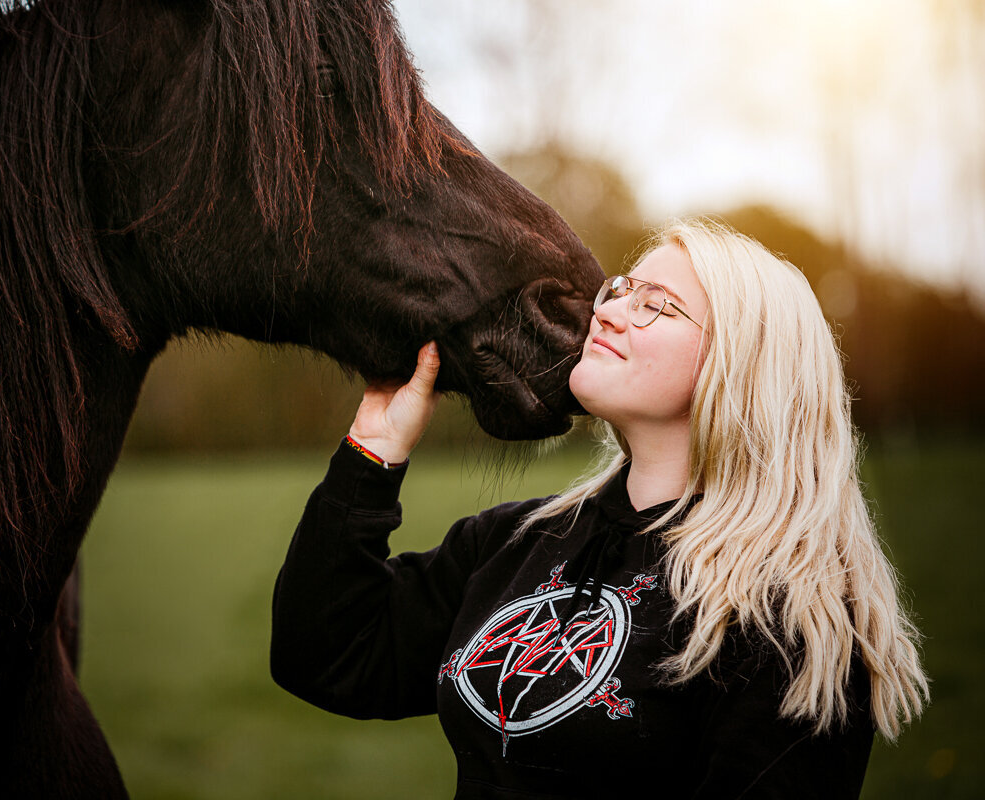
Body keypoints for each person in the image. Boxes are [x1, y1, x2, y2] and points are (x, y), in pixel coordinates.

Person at [270, 218, 928, 797]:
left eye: (657, 307)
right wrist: (372, 456)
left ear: (742, 366)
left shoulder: (782, 616)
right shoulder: (516, 542)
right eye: (621, 290)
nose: (607, 312)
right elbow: (330, 656)